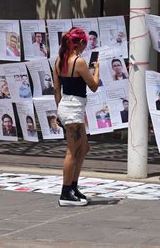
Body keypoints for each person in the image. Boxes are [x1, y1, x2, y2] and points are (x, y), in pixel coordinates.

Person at [53, 27, 100, 206]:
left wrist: (59, 111)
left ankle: (73, 186)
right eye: (84, 44)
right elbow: (93, 86)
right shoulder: (78, 62)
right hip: (72, 109)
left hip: (69, 107)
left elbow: (57, 89)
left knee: (84, 147)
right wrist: (96, 69)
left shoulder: (59, 61)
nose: (84, 48)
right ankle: (65, 193)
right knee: (72, 150)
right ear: (79, 43)